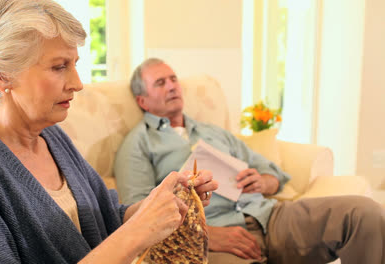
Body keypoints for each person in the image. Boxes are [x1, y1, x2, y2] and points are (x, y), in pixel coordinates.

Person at [0, 2, 218, 263]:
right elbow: (124, 236)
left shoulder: (52, 137)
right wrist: (136, 233)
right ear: (1, 76)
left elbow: (109, 220)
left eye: (74, 64)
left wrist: (166, 203)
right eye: (59, 67)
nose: (77, 83)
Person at [114, 57, 385, 264]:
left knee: (364, 213)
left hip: (269, 216)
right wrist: (204, 234)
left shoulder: (214, 132)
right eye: (160, 83)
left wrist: (264, 182)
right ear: (143, 101)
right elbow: (139, 217)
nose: (172, 85)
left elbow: (271, 172)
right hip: (213, 234)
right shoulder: (137, 145)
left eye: (173, 79)